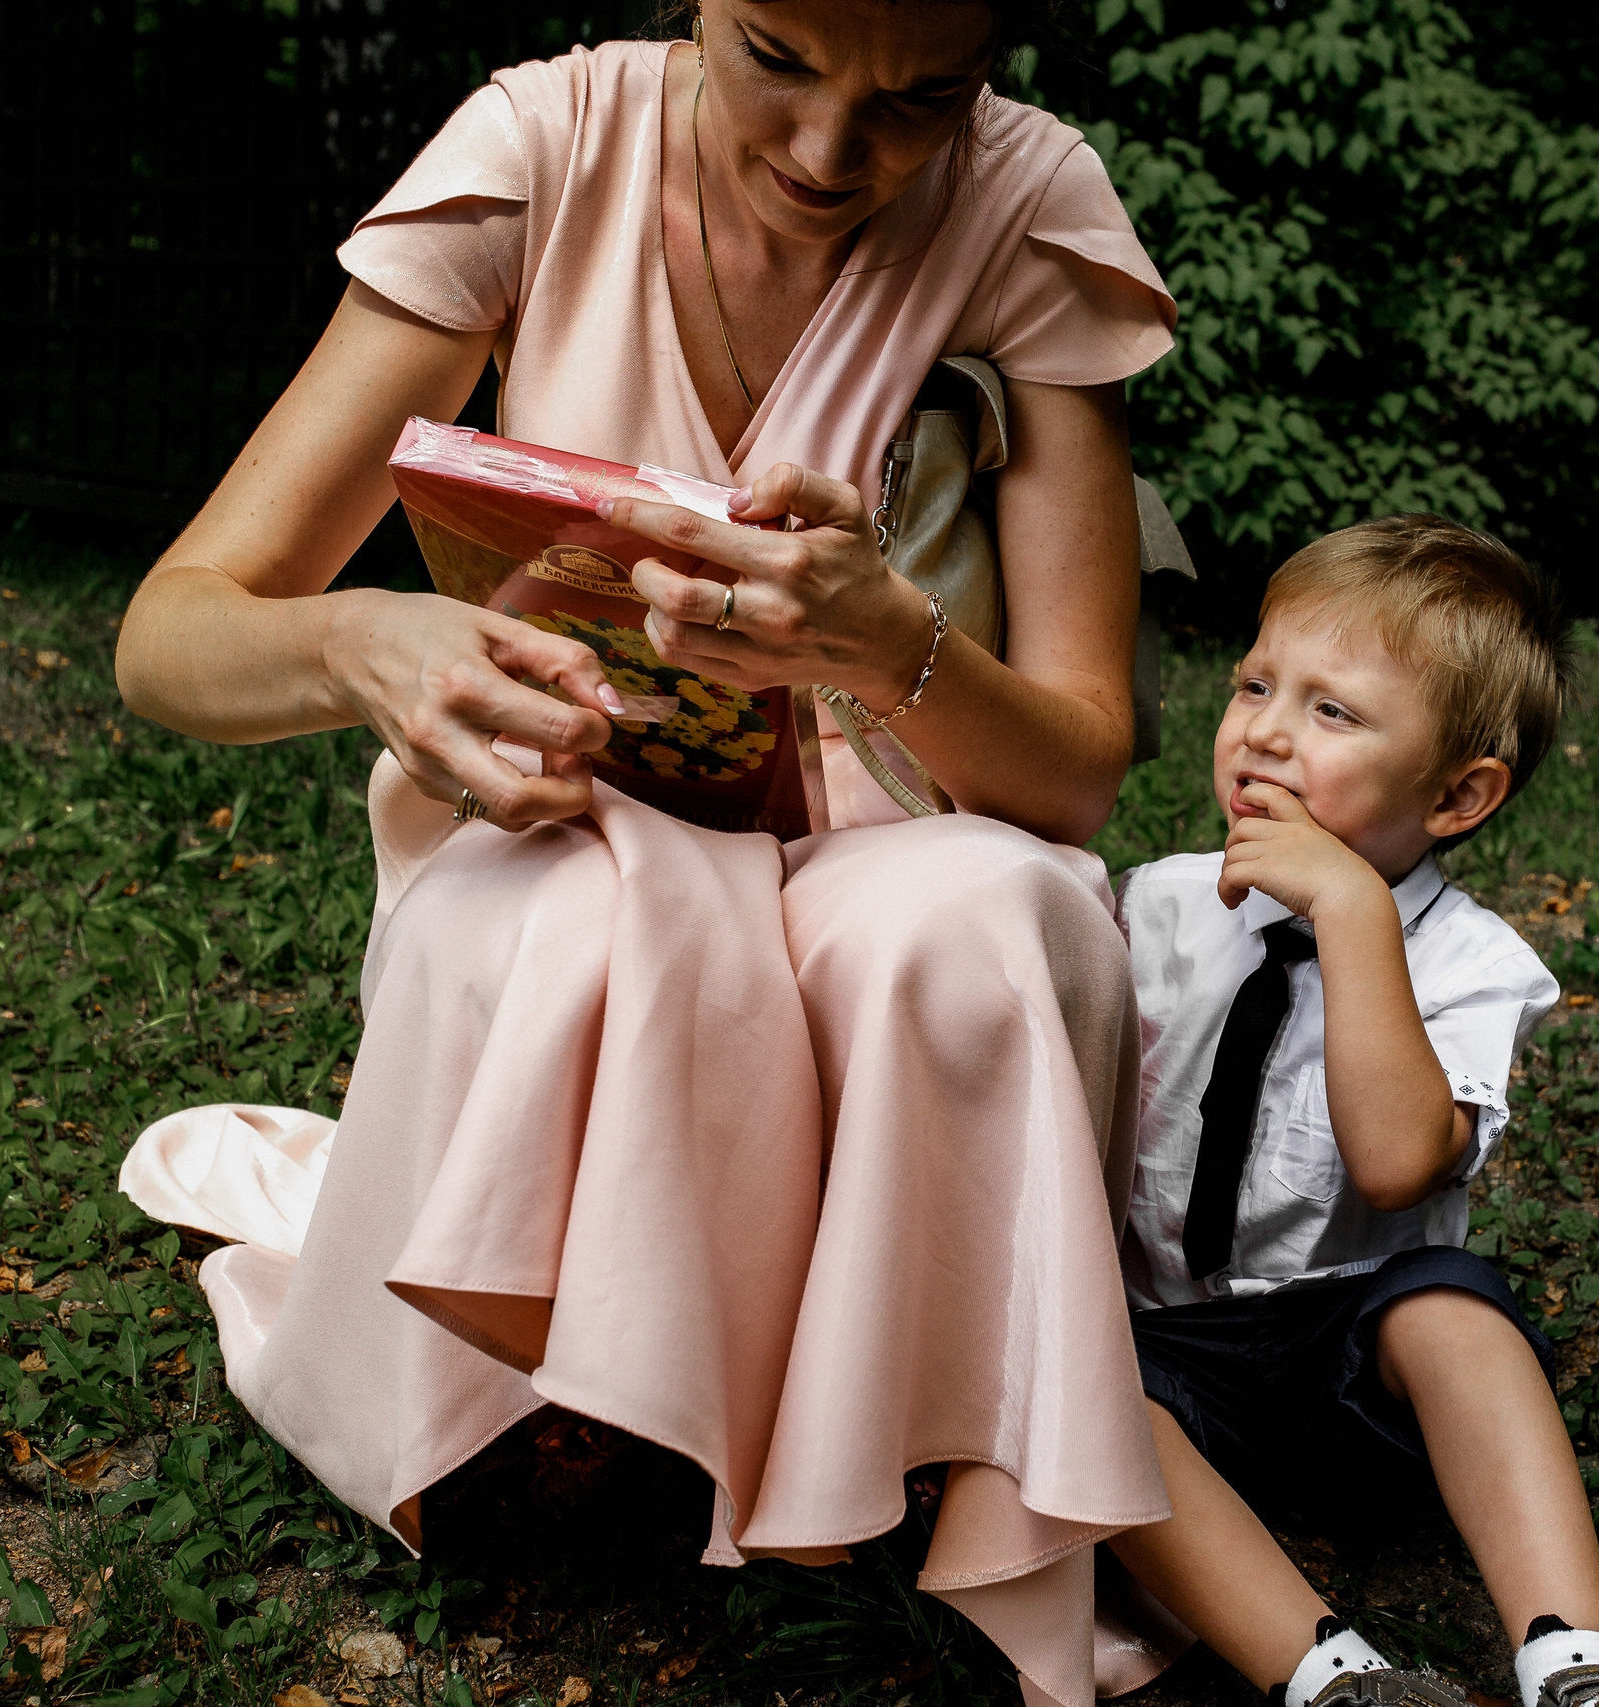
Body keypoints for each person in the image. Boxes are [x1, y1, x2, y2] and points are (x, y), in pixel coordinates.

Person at [110, 8, 1193, 1703]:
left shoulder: (1028, 201)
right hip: (576, 825)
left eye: (920, 101)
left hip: (893, 842)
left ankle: (929, 1467)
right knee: (546, 931)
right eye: (777, 54)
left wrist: (887, 644)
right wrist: (361, 646)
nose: (832, 154)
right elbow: (167, 637)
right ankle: (543, 1413)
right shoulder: (540, 154)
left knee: (981, 917)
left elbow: (1071, 780)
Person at [1103, 518, 1599, 1707]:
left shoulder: (1474, 963)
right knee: (1083, 1404)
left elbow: (1394, 1167)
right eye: (1256, 685)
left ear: (1458, 794)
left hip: (1356, 1382)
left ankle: (1577, 1666)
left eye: (1332, 712)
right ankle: (1337, 1682)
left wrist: (1350, 911)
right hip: (1165, 1360)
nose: (1265, 729)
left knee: (1452, 1310)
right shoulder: (1155, 907)